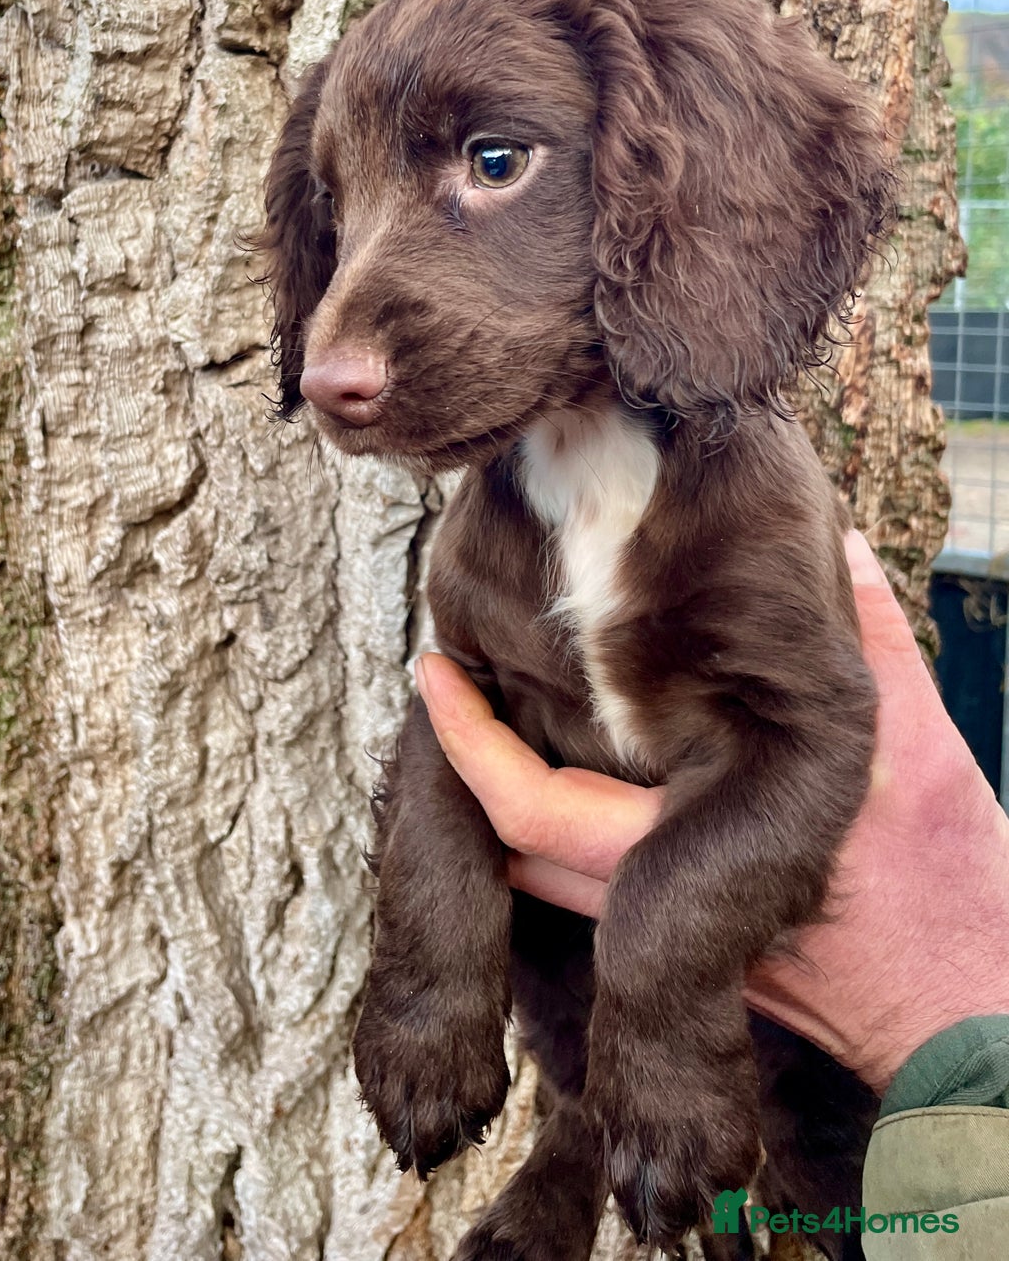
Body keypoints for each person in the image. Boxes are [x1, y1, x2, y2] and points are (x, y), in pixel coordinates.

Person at [413, 532, 1009, 1258]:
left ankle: (695, 1184)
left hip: (788, 1006)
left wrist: (946, 1015)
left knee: (821, 1158)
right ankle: (591, 1138)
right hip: (605, 983)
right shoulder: (497, 564)